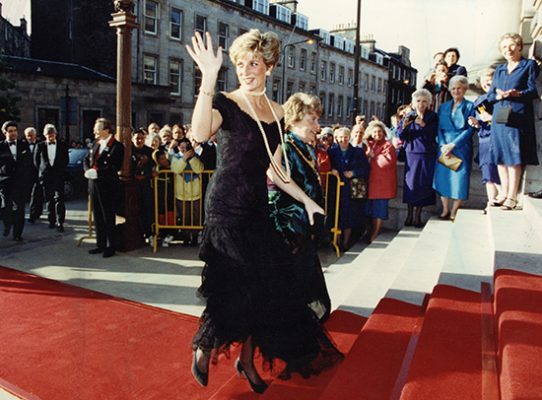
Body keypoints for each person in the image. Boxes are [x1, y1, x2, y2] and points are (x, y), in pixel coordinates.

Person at [186, 29, 342, 393]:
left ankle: (247, 360)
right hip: (225, 207)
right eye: (240, 64)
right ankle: (203, 344)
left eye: (253, 62)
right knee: (232, 283)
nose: (246, 69)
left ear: (269, 67)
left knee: (269, 288)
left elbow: (275, 169)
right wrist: (209, 76)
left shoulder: (276, 113)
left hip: (258, 210)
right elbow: (198, 132)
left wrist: (306, 200)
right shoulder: (225, 102)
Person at [268, 92, 331, 321]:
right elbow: (277, 177)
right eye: (312, 120)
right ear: (294, 120)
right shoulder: (285, 146)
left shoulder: (305, 147)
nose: (317, 126)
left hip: (302, 223)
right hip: (287, 224)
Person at [488, 33, 539, 209]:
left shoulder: (528, 65)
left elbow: (533, 90)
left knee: (514, 156)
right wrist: (497, 95)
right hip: (499, 116)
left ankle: (512, 196)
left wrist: (518, 94)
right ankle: (503, 193)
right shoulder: (500, 69)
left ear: (519, 46)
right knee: (501, 157)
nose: (508, 50)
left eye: (511, 46)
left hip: (517, 116)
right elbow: (489, 95)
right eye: (504, 47)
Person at [433, 75, 475, 221]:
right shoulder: (444, 106)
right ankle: (445, 210)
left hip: (461, 147)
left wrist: (453, 144)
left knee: (460, 180)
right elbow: (439, 128)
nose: (456, 91)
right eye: (453, 88)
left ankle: (454, 211)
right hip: (444, 147)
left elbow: (470, 130)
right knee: (443, 178)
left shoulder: (470, 106)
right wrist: (443, 145)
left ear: (464, 89)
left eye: (459, 88)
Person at [83, 118, 124, 258]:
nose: (95, 131)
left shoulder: (117, 146)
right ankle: (100, 244)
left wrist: (98, 172)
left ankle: (110, 246)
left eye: (98, 129)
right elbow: (86, 159)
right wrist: (87, 170)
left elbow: (114, 166)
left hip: (107, 185)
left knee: (108, 216)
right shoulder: (95, 143)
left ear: (106, 130)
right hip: (94, 184)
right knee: (98, 215)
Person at [397, 89, 438, 227]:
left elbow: (434, 134)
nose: (421, 104)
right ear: (414, 103)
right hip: (411, 153)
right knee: (411, 185)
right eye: (418, 101)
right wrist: (404, 125)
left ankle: (417, 216)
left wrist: (424, 125)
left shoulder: (433, 116)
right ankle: (409, 214)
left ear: (428, 103)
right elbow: (400, 135)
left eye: (424, 101)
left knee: (423, 185)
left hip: (427, 154)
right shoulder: (409, 116)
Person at [328, 126, 370, 249]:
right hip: (336, 188)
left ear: (349, 137)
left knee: (349, 215)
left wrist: (354, 173)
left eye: (346, 137)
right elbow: (325, 166)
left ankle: (346, 242)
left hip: (352, 188)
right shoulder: (331, 152)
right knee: (335, 213)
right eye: (341, 137)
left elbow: (366, 169)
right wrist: (332, 170)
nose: (343, 139)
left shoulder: (358, 152)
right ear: (336, 138)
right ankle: (335, 240)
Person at [468, 68, 501, 213]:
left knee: (498, 171)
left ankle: (503, 197)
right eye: (484, 80)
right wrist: (476, 123)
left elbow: (507, 118)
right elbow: (482, 121)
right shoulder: (479, 101)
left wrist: (492, 119)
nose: (487, 82)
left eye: (490, 78)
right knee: (487, 173)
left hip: (499, 139)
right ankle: (491, 201)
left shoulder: (502, 97)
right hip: (484, 139)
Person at [0, 121, 33, 241]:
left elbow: (29, 163)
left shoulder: (23, 145)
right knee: (5, 207)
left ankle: (17, 234)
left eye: (15, 131)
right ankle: (7, 225)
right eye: (10, 131)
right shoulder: (1, 146)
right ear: (5, 133)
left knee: (20, 209)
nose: (13, 133)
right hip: (5, 182)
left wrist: (28, 180)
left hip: (20, 183)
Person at [365, 121, 397, 242]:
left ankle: (375, 233)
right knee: (372, 210)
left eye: (379, 132)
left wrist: (374, 156)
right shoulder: (371, 144)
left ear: (384, 133)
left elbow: (387, 163)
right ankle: (372, 231)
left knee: (379, 210)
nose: (377, 134)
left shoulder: (388, 145)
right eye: (374, 132)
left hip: (382, 184)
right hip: (373, 183)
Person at [170, 138, 203, 246]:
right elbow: (176, 169)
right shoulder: (175, 157)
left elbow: (199, 169)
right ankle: (185, 237)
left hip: (195, 193)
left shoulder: (196, 157)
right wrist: (184, 158)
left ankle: (194, 237)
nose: (184, 150)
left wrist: (191, 157)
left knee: (196, 216)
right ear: (179, 147)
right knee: (185, 217)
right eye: (182, 147)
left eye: (186, 147)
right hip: (181, 193)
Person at [36, 124, 69, 232]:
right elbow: (36, 162)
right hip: (46, 176)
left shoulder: (62, 145)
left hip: (58, 175)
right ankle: (51, 221)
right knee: (49, 199)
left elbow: (66, 160)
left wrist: (60, 171)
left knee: (59, 199)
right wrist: (42, 172)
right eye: (48, 135)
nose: (51, 137)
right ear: (45, 135)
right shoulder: (40, 145)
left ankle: (60, 222)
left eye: (52, 135)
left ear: (56, 134)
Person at [131, 128, 154, 241]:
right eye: (137, 138)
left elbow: (154, 167)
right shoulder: (128, 150)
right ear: (132, 139)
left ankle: (148, 232)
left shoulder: (149, 151)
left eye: (141, 138)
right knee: (135, 208)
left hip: (145, 183)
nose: (139, 141)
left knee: (147, 208)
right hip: (132, 183)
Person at [24, 127, 43, 223]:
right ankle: (36, 213)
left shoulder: (40, 144)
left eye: (31, 135)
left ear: (35, 135)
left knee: (35, 194)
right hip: (26, 174)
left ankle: (33, 215)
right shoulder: (23, 145)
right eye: (28, 136)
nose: (29, 137)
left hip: (37, 173)